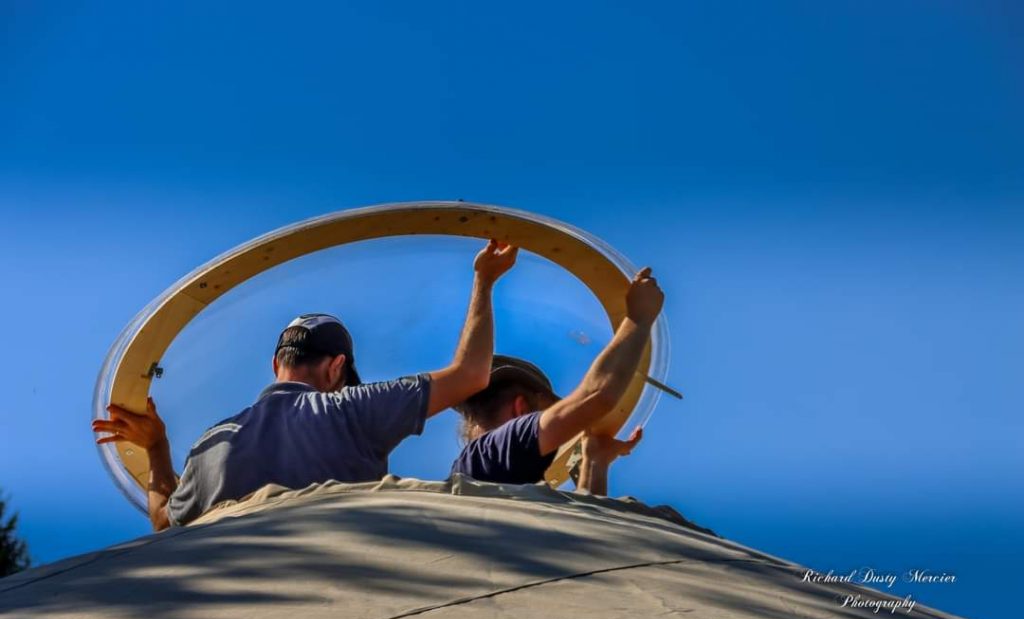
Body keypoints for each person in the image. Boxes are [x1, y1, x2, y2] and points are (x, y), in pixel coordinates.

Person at [92, 239, 519, 531]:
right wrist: (485, 281)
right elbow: (471, 375)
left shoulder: (211, 445)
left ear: (276, 363)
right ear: (336, 369)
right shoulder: (351, 408)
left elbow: (163, 520)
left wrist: (156, 449)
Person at [449, 267, 662, 495]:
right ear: (521, 411)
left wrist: (595, 461)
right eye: (551, 416)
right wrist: (638, 320)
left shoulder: (485, 483)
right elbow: (596, 397)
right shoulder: (492, 454)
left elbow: (586, 522)